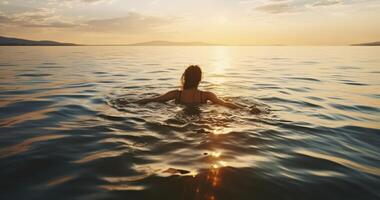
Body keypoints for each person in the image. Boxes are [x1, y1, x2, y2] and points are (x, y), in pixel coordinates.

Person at [135, 65, 261, 112]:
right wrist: (246, 109)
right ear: (200, 79)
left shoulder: (175, 94)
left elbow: (154, 100)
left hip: (179, 118)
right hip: (201, 117)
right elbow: (225, 104)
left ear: (184, 78)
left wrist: (132, 103)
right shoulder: (206, 95)